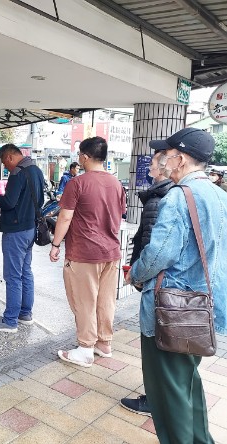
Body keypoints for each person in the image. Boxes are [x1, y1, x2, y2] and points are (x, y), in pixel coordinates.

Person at [127, 128, 227, 444]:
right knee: (187, 383)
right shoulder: (220, 196)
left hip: (171, 311)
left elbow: (159, 253)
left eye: (167, 155)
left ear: (180, 158)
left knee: (167, 395)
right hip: (202, 309)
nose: (164, 161)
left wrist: (136, 274)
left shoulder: (178, 196)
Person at [49, 136, 125, 367]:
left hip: (84, 252)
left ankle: (85, 348)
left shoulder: (77, 183)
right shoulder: (116, 183)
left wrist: (55, 245)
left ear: (84, 156)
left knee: (84, 301)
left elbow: (65, 216)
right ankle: (104, 343)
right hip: (111, 252)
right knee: (106, 300)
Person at [119, 150, 173, 417]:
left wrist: (136, 275)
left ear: (163, 169)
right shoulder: (171, 193)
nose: (148, 165)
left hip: (158, 285)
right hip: (173, 287)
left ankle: (153, 401)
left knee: (154, 341)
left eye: (152, 162)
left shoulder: (158, 199)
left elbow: (153, 248)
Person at [0, 144, 44, 333]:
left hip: (16, 230)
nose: (5, 167)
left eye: (4, 162)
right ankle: (25, 314)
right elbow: (40, 200)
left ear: (10, 157)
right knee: (25, 271)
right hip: (30, 228)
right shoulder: (36, 170)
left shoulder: (18, 173)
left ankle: (10, 320)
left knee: (12, 275)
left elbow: (9, 202)